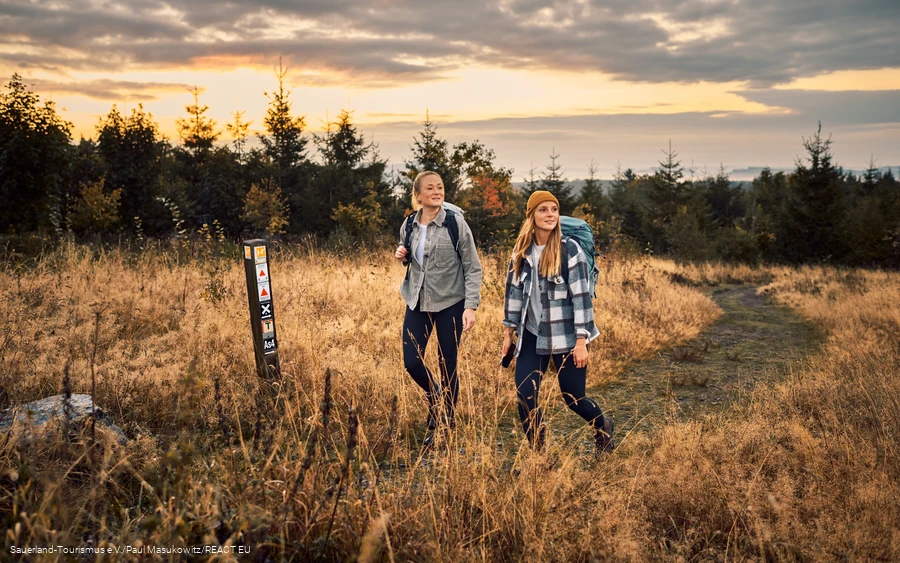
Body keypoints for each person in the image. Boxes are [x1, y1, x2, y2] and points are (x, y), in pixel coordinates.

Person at [500, 190, 614, 455]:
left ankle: (603, 425)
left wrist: (582, 341)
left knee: (573, 399)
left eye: (554, 209)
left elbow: (582, 298)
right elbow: (513, 293)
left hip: (566, 335)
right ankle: (540, 457)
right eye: (543, 210)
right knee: (525, 397)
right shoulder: (522, 251)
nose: (550, 214)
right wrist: (509, 333)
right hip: (531, 334)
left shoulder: (569, 249)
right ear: (532, 215)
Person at [394, 171, 482, 447]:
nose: (436, 191)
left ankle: (446, 422)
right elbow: (410, 256)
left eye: (440, 187)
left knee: (448, 365)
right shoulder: (408, 224)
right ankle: (435, 398)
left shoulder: (456, 224)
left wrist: (470, 306)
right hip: (417, 300)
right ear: (418, 195)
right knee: (411, 360)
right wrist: (403, 255)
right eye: (429, 188)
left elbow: (473, 267)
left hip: (450, 302)